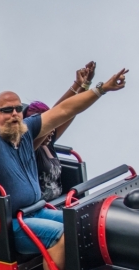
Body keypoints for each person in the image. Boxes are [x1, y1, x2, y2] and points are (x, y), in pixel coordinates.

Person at [0, 67, 128, 270]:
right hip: (10, 223)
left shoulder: (25, 130)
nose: (15, 114)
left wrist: (100, 89)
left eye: (18, 109)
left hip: (35, 210)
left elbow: (64, 111)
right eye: (7, 110)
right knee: (63, 236)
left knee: (81, 225)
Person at [24, 62, 96, 201]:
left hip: (61, 202)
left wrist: (84, 85)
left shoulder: (48, 142)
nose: (51, 130)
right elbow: (57, 113)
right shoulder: (28, 147)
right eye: (47, 126)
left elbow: (69, 110)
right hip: (39, 207)